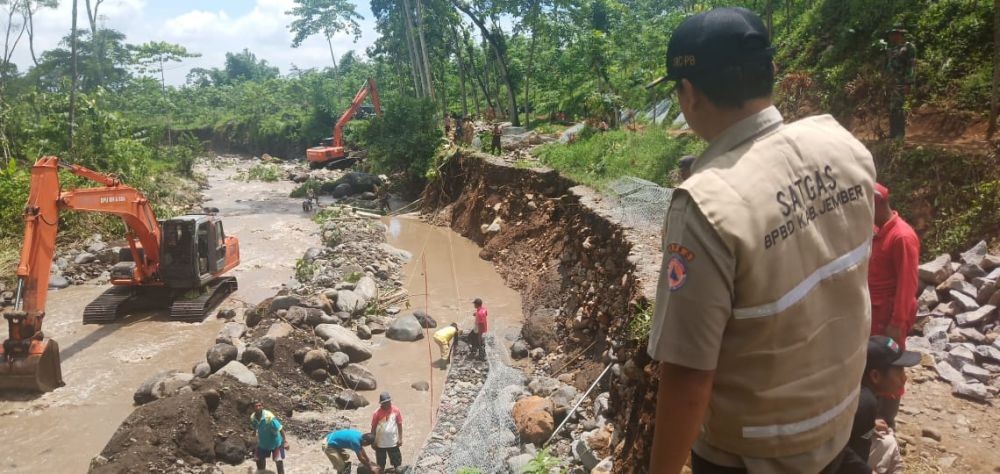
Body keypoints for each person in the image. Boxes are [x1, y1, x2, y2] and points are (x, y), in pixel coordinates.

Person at [644, 8, 876, 473]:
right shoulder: (843, 147)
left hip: (753, 454)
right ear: (770, 73)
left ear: (688, 94)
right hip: (835, 426)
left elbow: (689, 377)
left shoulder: (707, 204)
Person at [868, 182, 920, 429]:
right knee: (873, 365)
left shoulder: (901, 236)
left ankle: (887, 419)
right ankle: (869, 419)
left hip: (888, 319)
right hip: (873, 315)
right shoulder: (878, 232)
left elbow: (907, 287)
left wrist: (897, 324)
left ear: (876, 203)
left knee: (890, 367)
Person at [841, 336, 916, 473]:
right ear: (875, 376)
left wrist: (870, 424)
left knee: (889, 441)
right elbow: (838, 451)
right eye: (899, 371)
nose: (904, 378)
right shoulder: (866, 402)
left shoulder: (854, 388)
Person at [886, 24, 916, 140]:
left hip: (901, 82)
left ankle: (900, 133)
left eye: (892, 34)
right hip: (892, 83)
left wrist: (909, 83)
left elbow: (911, 66)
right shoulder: (892, 49)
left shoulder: (908, 48)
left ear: (898, 34)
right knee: (892, 108)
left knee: (898, 107)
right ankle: (893, 133)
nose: (890, 36)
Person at [250, 401, 288, 474]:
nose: (258, 408)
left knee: (278, 462)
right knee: (260, 464)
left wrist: (285, 441)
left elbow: (280, 429)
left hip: (276, 443)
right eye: (256, 406)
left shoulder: (269, 417)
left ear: (262, 406)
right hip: (262, 444)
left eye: (259, 405)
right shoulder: (252, 417)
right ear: (253, 408)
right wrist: (254, 433)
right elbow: (255, 426)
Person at [370, 392, 403, 472]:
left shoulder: (396, 410)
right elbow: (373, 428)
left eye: (388, 402)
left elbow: (399, 425)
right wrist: (372, 441)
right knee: (381, 464)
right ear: (381, 403)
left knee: (397, 463)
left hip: (393, 442)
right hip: (380, 444)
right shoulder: (376, 413)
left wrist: (400, 438)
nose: (387, 404)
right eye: (385, 403)